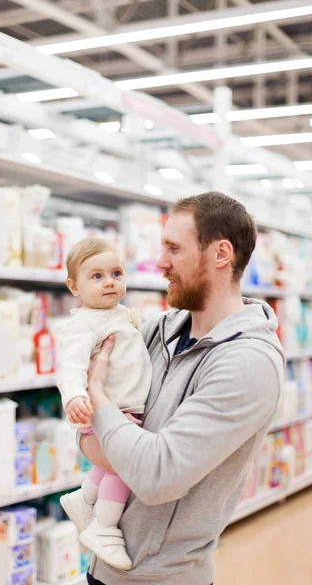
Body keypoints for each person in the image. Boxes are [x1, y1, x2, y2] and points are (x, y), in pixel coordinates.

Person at [78, 192, 285, 585]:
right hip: (102, 568)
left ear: (221, 254)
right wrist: (114, 441)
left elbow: (157, 477)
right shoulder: (159, 330)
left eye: (174, 248)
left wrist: (97, 393)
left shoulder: (249, 362)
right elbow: (83, 433)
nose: (160, 262)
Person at [57, 237, 153, 570]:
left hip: (123, 407)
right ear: (74, 287)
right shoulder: (84, 323)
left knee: (114, 462)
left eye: (116, 272)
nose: (109, 281)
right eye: (96, 276)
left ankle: (84, 498)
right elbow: (70, 364)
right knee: (124, 466)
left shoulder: (120, 314)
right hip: (106, 410)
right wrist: (74, 395)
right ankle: (104, 526)